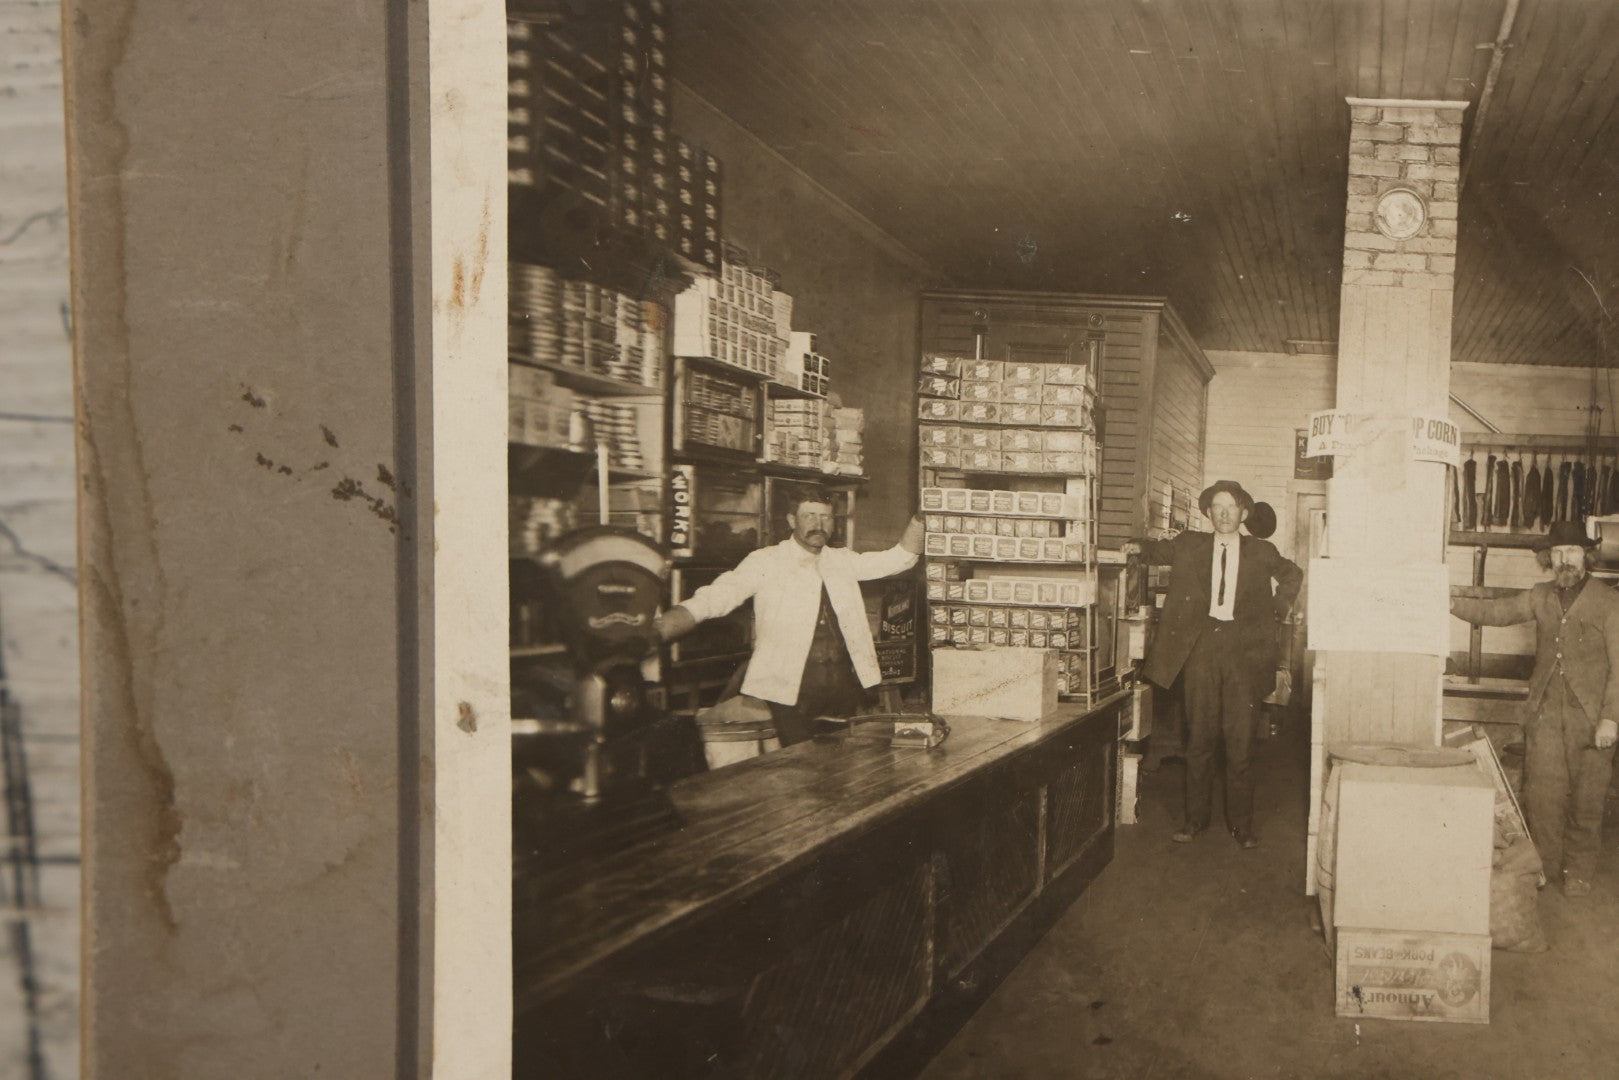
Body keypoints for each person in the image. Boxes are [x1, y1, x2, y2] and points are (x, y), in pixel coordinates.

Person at [655, 490, 924, 746]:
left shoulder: (842, 560)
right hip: (790, 689)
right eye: (810, 516)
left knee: (839, 764)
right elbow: (717, 597)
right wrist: (661, 628)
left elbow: (898, 559)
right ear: (792, 520)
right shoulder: (767, 561)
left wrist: (921, 519)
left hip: (841, 685)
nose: (819, 525)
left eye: (826, 517)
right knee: (798, 763)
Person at [1124, 481, 1302, 848]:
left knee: (1240, 742)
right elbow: (1152, 551)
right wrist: (1134, 546)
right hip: (1201, 648)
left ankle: (1242, 826)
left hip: (1243, 653)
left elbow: (1292, 574)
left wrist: (1278, 608)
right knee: (1199, 738)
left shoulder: (1262, 551)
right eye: (1217, 507)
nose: (1224, 513)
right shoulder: (1189, 544)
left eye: (1231, 507)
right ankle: (1195, 821)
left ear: (1244, 513)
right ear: (1208, 513)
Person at [1449, 520, 1619, 898]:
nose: (1564, 559)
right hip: (1544, 714)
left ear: (1587, 556)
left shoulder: (1609, 602)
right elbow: (1497, 612)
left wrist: (1611, 718)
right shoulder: (1540, 595)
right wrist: (1452, 604)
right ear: (1548, 558)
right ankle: (1542, 866)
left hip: (1591, 718)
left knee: (1588, 799)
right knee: (1542, 796)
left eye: (1572, 551)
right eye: (1557, 552)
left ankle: (1578, 872)